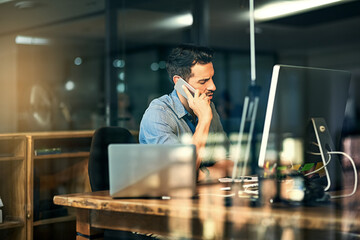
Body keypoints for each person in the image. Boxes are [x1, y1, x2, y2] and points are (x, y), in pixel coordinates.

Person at [139, 44, 232, 181]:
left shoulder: (208, 106)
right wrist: (204, 120)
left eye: (212, 78)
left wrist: (201, 175)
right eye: (203, 81)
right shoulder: (158, 114)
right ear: (180, 83)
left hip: (202, 195)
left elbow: (229, 162)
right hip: (164, 199)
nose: (213, 86)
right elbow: (181, 172)